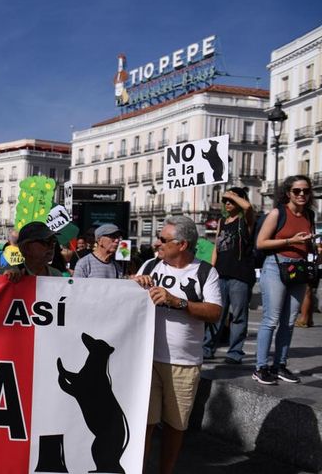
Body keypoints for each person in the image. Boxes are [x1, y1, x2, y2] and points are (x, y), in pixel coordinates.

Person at [132, 216, 221, 474]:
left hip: (184, 363)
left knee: (176, 425)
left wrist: (177, 302)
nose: (157, 244)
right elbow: (126, 299)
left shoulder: (205, 272)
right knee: (144, 423)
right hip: (147, 359)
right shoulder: (150, 265)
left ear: (182, 244)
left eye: (163, 240)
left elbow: (215, 312)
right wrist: (133, 284)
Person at [253, 175, 315, 385]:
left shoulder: (310, 215)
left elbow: (307, 242)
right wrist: (291, 240)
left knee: (289, 322)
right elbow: (261, 243)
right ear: (288, 193)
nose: (302, 195)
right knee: (271, 319)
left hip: (298, 269)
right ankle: (260, 367)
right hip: (275, 266)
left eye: (306, 191)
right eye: (297, 191)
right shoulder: (278, 213)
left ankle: (279, 365)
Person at [203, 187, 255, 364]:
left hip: (240, 275)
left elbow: (248, 208)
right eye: (225, 200)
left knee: (239, 316)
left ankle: (234, 353)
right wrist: (211, 270)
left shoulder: (246, 220)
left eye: (232, 199)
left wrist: (230, 194)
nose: (227, 202)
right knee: (216, 314)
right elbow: (217, 247)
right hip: (220, 273)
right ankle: (207, 349)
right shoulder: (222, 221)